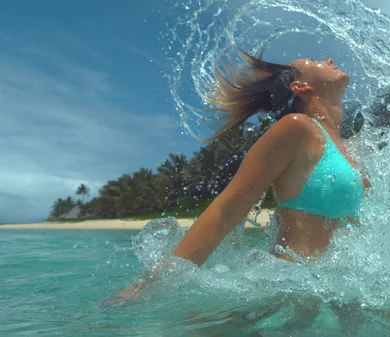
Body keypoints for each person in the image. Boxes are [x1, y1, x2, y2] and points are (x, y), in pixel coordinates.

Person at [103, 49, 370, 304]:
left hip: (338, 289)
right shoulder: (298, 128)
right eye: (315, 60)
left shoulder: (352, 149)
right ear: (300, 87)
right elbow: (227, 208)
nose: (330, 58)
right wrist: (152, 284)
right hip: (287, 290)